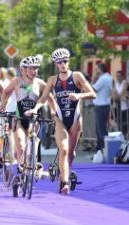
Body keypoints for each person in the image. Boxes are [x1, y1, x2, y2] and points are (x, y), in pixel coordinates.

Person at [26, 48, 96, 195]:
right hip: (60, 118)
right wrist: (35, 108)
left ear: (68, 61)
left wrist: (79, 96)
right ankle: (64, 183)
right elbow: (44, 98)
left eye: (65, 61)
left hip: (75, 119)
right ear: (56, 64)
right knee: (63, 150)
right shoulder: (52, 80)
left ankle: (62, 173)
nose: (63, 64)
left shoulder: (77, 76)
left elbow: (92, 94)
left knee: (71, 153)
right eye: (59, 62)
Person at [0, 56, 50, 171]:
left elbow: (49, 98)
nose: (34, 71)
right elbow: (6, 92)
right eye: (31, 68)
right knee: (21, 146)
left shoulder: (40, 83)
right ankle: (21, 170)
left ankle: (30, 168)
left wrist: (55, 112)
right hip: (19, 118)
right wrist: (2, 104)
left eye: (36, 68)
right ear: (24, 69)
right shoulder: (16, 81)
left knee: (32, 146)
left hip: (34, 119)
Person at [92, 63, 113, 152]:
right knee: (101, 128)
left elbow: (92, 89)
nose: (96, 71)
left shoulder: (103, 79)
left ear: (100, 70)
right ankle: (101, 149)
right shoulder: (109, 77)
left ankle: (103, 149)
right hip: (105, 105)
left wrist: (94, 78)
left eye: (96, 70)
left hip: (100, 106)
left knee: (100, 129)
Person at [112, 70, 128, 138]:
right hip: (118, 106)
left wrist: (119, 97)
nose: (117, 77)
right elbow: (113, 94)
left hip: (125, 106)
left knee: (125, 122)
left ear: (122, 76)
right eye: (116, 76)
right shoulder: (116, 84)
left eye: (119, 76)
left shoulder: (125, 83)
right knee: (119, 122)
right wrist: (118, 97)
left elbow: (123, 92)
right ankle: (120, 136)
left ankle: (125, 136)